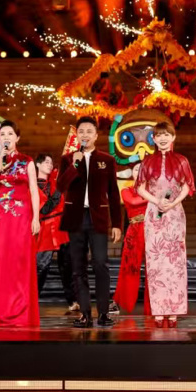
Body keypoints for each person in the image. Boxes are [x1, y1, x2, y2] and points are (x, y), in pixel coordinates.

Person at [57, 117, 122, 328]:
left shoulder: (107, 160)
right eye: (81, 131)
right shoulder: (68, 159)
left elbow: (113, 193)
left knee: (100, 263)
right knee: (78, 267)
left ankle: (103, 313)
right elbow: (60, 186)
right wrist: (74, 164)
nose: (85, 134)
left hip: (98, 218)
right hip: (75, 218)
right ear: (77, 135)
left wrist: (117, 224)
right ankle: (85, 314)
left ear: (96, 135)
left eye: (89, 131)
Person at [0, 120, 41, 327]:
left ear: (17, 138)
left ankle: (21, 312)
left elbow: (34, 190)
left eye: (10, 134)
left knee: (20, 261)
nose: (6, 137)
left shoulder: (27, 161)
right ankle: (0, 310)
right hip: (1, 219)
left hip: (22, 217)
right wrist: (0, 163)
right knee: (1, 262)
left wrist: (36, 217)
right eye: (2, 134)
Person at [137, 123, 195, 327]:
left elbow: (187, 186)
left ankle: (174, 311)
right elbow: (140, 188)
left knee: (175, 261)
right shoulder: (147, 161)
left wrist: (173, 202)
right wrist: (157, 201)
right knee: (155, 261)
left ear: (173, 137)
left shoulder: (182, 160)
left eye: (166, 135)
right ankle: (159, 311)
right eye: (159, 135)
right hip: (154, 213)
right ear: (153, 139)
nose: (162, 138)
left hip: (175, 213)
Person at [34, 153, 75, 310]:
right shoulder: (32, 186)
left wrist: (76, 162)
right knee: (41, 266)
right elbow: (44, 209)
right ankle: (33, 300)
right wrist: (59, 190)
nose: (50, 165)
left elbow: (71, 173)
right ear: (37, 165)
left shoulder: (56, 181)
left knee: (67, 265)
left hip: (61, 226)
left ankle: (72, 301)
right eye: (46, 162)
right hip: (45, 227)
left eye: (51, 162)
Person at [112, 162, 151, 315]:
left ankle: (155, 305)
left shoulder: (153, 191)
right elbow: (134, 202)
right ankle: (120, 302)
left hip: (151, 231)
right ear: (132, 173)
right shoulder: (126, 190)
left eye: (142, 169)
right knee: (129, 268)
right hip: (134, 231)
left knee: (153, 269)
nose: (139, 172)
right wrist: (155, 197)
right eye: (136, 169)